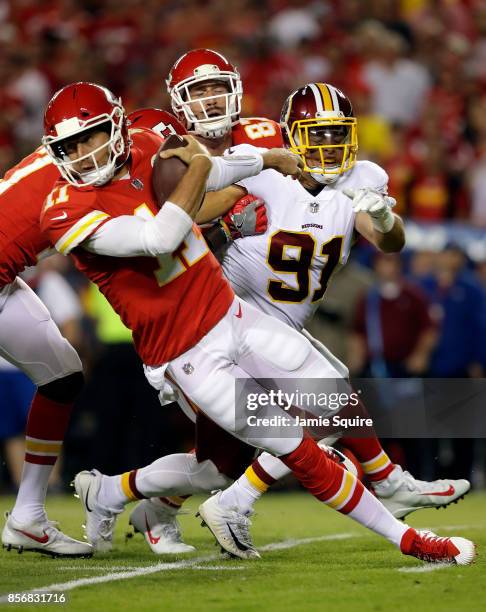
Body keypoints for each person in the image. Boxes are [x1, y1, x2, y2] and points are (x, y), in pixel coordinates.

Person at [40, 81, 475, 566]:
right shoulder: (64, 211)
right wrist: (233, 185)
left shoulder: (156, 157)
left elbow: (385, 238)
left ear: (120, 130)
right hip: (185, 351)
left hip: (236, 318)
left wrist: (379, 214)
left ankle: (113, 493)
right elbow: (167, 230)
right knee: (281, 445)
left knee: (318, 407)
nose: (87, 152)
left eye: (96, 136)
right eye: (71, 146)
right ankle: (400, 531)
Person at [0, 141, 91, 558]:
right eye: (84, 141)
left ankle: (28, 516)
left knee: (62, 377)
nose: (94, 151)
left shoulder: (46, 166)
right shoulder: (63, 188)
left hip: (4, 285)